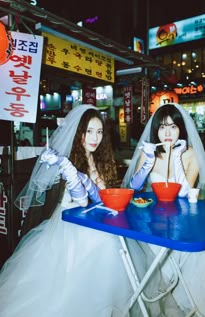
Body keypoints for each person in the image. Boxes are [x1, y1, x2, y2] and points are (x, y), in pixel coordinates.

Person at [0, 104, 136, 317]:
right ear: (78, 132)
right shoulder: (67, 160)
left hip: (93, 220)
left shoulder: (97, 159)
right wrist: (71, 171)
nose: (95, 137)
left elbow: (100, 197)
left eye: (99, 132)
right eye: (89, 131)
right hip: (70, 225)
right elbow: (81, 201)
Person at [122, 103, 205, 316]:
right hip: (152, 220)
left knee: (197, 256)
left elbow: (185, 193)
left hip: (182, 220)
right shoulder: (149, 152)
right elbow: (134, 187)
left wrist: (176, 158)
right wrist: (146, 162)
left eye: (173, 127)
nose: (167, 132)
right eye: (162, 127)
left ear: (181, 130)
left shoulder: (190, 154)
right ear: (156, 129)